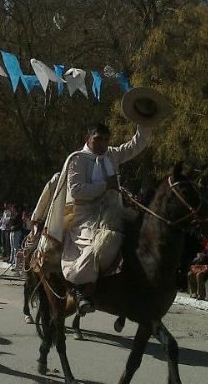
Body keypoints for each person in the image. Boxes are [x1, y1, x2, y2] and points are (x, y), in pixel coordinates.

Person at [43, 122, 152, 315]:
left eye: (106, 139)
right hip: (85, 216)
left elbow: (137, 144)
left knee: (142, 231)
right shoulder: (77, 159)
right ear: (88, 139)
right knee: (97, 246)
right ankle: (81, 291)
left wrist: (144, 120)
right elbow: (76, 191)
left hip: (114, 211)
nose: (103, 143)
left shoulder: (112, 154)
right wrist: (105, 185)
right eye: (98, 139)